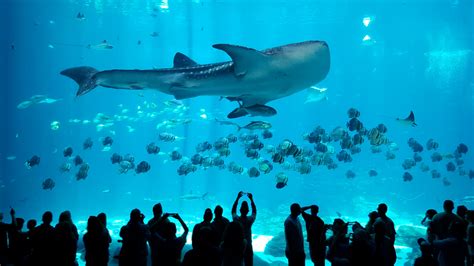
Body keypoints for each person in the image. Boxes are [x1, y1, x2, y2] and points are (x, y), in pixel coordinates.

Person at [232, 191, 257, 266]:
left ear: (240, 210)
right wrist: (251, 199)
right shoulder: (250, 220)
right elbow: (254, 212)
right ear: (248, 211)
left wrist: (238, 198)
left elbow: (233, 211)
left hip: (238, 246)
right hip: (248, 246)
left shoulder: (236, 219)